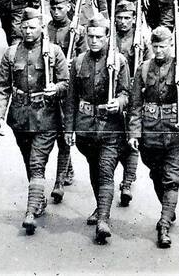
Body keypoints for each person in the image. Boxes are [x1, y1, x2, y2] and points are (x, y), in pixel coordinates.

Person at [0, 8, 70, 234]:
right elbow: (1, 86)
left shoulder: (54, 52)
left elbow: (66, 82)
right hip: (19, 117)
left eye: (32, 27)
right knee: (29, 160)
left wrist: (55, 88)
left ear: (41, 28)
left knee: (37, 163)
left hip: (46, 117)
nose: (28, 31)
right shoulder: (11, 53)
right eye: (24, 27)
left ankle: (30, 212)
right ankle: (38, 200)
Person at [127, 24, 179, 249]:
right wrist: (134, 133)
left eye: (163, 46)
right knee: (156, 174)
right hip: (150, 134)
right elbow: (135, 104)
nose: (158, 51)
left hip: (175, 133)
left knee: (172, 179)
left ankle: (164, 223)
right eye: (155, 46)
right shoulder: (144, 69)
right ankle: (168, 208)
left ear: (171, 45)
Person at [65, 15, 130, 243]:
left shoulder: (118, 61)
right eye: (90, 36)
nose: (93, 41)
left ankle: (103, 219)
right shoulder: (78, 61)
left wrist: (119, 102)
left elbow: (126, 93)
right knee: (95, 170)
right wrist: (69, 129)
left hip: (110, 128)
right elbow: (71, 98)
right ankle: (100, 207)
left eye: (98, 37)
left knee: (105, 170)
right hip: (85, 129)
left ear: (107, 37)